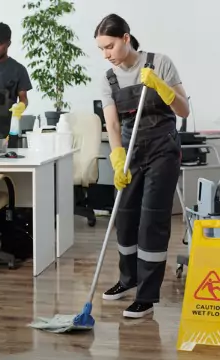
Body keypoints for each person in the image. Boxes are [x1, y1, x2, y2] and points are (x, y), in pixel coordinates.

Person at [94, 14, 190, 318]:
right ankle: (128, 279)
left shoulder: (158, 63)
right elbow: (111, 122)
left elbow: (184, 108)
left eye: (109, 46)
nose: (106, 54)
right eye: (101, 49)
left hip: (163, 150)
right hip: (131, 152)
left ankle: (147, 296)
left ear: (125, 38)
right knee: (124, 216)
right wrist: (117, 156)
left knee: (151, 221)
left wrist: (162, 86)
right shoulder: (107, 78)